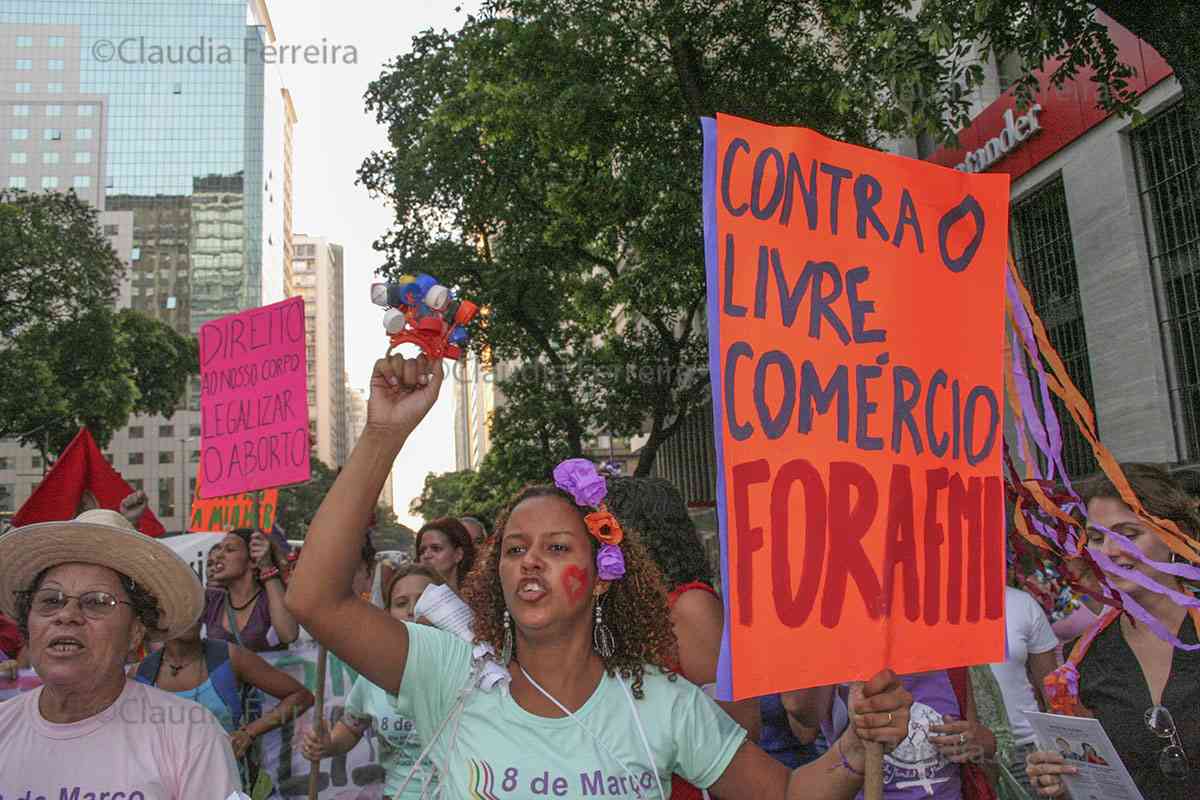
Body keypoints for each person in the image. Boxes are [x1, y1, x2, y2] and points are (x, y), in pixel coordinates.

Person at [286, 353, 913, 799]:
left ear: (601, 573)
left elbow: (784, 793)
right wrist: (383, 433)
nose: (529, 561)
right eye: (513, 550)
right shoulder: (448, 674)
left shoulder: (658, 703)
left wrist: (856, 747)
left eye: (557, 547)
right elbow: (314, 598)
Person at [0, 508, 241, 796]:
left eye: (98, 602)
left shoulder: (191, 735)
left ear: (135, 631)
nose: (66, 615)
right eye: (51, 600)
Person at [1026, 464, 1200, 799]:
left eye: (1129, 534)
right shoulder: (1084, 658)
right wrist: (1062, 782)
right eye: (1097, 538)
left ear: (1172, 535)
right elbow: (1096, 777)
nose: (1109, 551)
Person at [606, 476, 763, 798]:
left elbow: (742, 724)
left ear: (638, 531)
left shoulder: (690, 607)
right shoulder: (624, 609)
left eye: (606, 528)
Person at [302, 563, 445, 799]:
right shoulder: (374, 674)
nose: (412, 611)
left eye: (423, 601)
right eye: (401, 603)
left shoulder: (472, 666)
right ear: (388, 615)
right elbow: (350, 727)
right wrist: (328, 744)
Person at [133, 619, 313, 775]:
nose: (191, 617)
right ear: (160, 619)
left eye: (195, 608)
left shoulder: (229, 657)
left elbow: (301, 697)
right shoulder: (141, 674)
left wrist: (249, 733)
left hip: (229, 785)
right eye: (181, 609)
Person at [989, 585, 1058, 795]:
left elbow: (1051, 691)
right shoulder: (922, 607)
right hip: (958, 752)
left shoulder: (1021, 603)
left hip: (1025, 751)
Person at [204, 527, 300, 651]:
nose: (218, 555)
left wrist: (266, 566)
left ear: (253, 561)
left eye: (229, 549)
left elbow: (289, 635)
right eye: (220, 549)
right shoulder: (212, 600)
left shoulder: (271, 599)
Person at [414, 516, 475, 591]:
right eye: (422, 551)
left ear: (458, 554)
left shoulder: (477, 599)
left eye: (436, 549)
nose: (426, 555)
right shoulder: (415, 600)